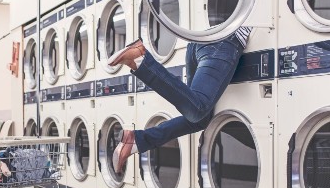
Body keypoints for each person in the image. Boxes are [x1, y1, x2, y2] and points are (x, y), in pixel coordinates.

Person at [107, 27, 252, 173]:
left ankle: (137, 140)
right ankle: (140, 59)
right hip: (225, 43)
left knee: (199, 118)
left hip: (200, 42)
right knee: (197, 110)